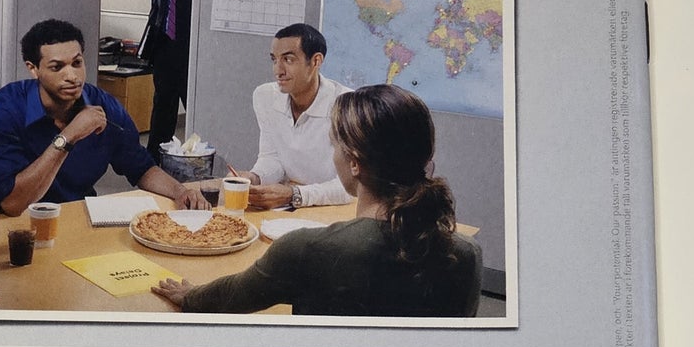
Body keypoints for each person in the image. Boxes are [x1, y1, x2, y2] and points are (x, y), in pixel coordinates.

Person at [152, 83, 481, 318]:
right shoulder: (467, 255)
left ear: (354, 163)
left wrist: (190, 296)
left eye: (334, 145)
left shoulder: (306, 249)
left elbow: (229, 297)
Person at [0, 18, 208, 215]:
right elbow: (12, 204)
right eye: (57, 67)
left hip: (80, 217)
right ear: (33, 68)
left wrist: (180, 191)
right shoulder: (0, 110)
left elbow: (141, 167)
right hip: (21, 226)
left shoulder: (104, 105)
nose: (72, 76)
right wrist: (68, 136)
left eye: (77, 63)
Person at [231, 23, 350, 209]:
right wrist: (255, 177)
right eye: (274, 60)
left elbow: (352, 186)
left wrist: (294, 195)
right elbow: (273, 158)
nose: (278, 71)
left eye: (288, 59)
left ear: (316, 61)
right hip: (292, 205)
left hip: (336, 208)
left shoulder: (346, 106)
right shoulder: (265, 97)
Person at [141, 0, 194, 162]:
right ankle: (154, 158)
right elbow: (155, 14)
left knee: (192, 105)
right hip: (164, 51)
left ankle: (195, 157)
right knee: (162, 106)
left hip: (189, 52)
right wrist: (148, 49)